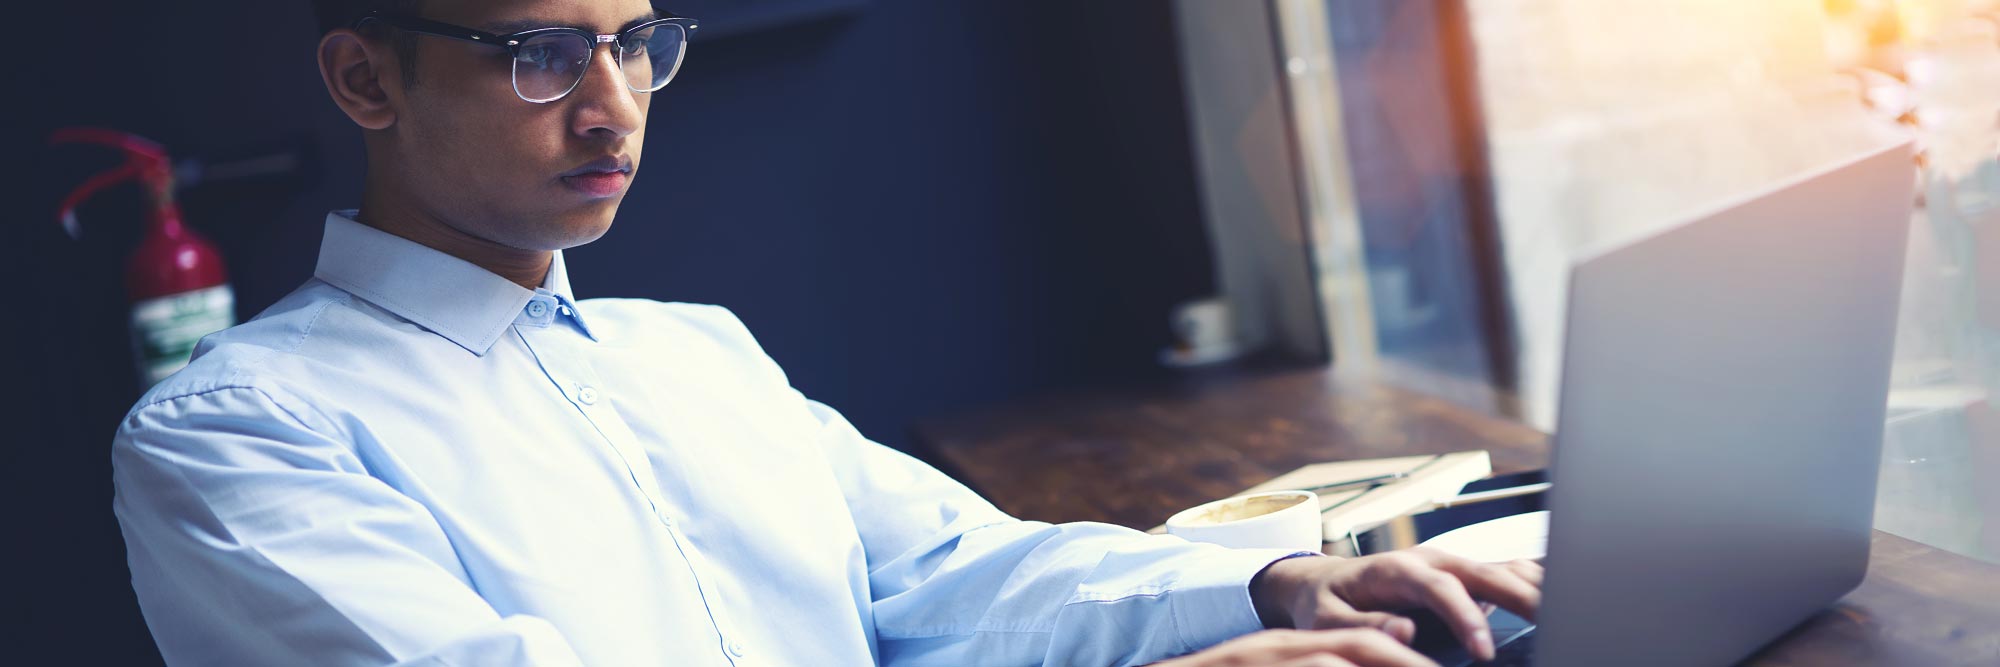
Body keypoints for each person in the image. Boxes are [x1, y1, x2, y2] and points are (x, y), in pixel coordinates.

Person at [110, 1, 1542, 665]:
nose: (612, 104)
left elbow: (953, 577)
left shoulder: (694, 353)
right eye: (539, 52)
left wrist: (1274, 588)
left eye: (635, 42)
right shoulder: (239, 433)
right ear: (366, 77)